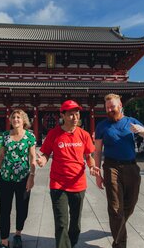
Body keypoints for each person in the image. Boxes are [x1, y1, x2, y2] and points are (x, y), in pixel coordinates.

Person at [94, 93, 144, 248]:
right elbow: (97, 151)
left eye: (112, 106)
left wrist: (142, 130)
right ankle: (119, 244)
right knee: (115, 208)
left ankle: (118, 225)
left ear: (120, 106)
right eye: (107, 107)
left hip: (131, 167)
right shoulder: (102, 126)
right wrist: (97, 173)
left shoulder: (131, 122)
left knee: (131, 203)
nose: (109, 109)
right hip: (111, 166)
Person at [36, 100, 99, 248]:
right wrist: (42, 161)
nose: (75, 117)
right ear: (62, 115)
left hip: (78, 184)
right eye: (70, 114)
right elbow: (45, 154)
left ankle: (70, 243)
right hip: (58, 184)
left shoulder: (84, 134)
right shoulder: (54, 134)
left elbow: (89, 156)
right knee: (61, 223)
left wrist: (92, 166)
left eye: (77, 114)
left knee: (75, 223)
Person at [0, 109, 37, 248]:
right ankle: (4, 239)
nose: (15, 119)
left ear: (23, 120)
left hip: (23, 178)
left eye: (18, 117)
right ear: (10, 120)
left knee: (22, 208)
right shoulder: (6, 135)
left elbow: (32, 157)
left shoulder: (30, 136)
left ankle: (18, 234)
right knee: (4, 209)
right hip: (5, 178)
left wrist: (32, 176)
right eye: (13, 117)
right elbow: (1, 156)